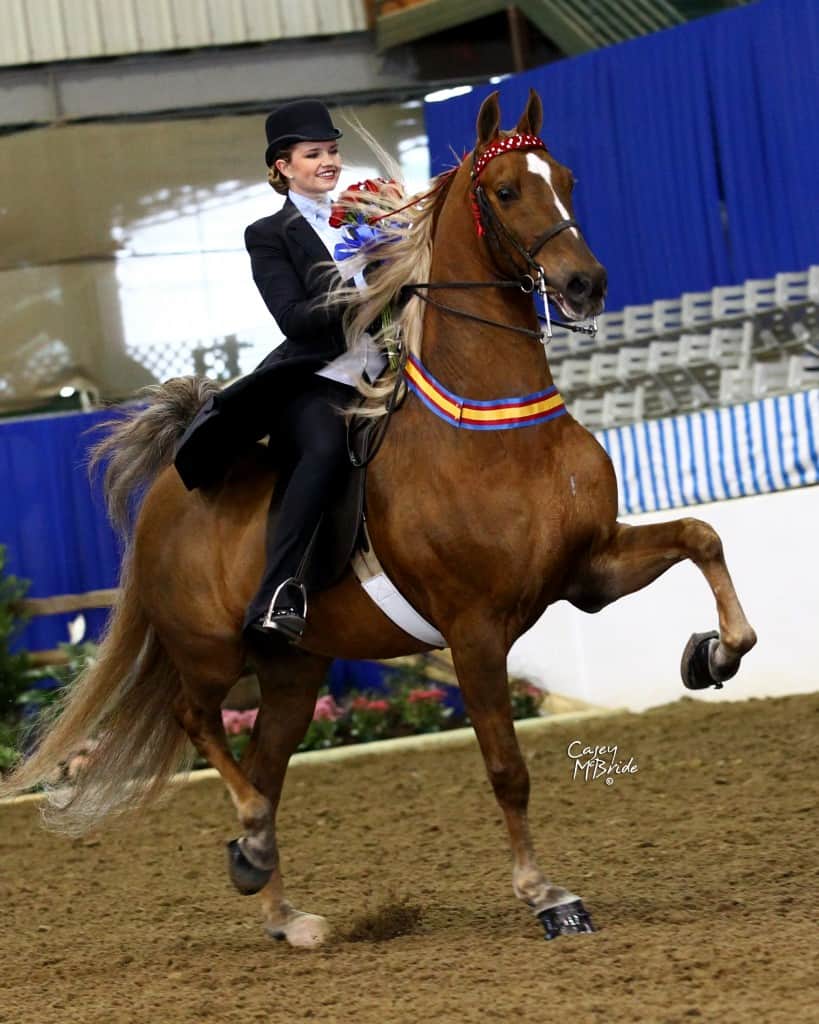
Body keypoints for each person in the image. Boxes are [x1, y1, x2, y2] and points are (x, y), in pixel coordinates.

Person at [174, 99, 384, 643]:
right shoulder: (268, 233)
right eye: (313, 153)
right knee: (323, 449)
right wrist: (360, 289)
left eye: (333, 151)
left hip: (390, 364)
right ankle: (277, 591)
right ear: (283, 167)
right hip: (317, 377)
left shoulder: (368, 218)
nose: (329, 161)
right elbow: (293, 318)